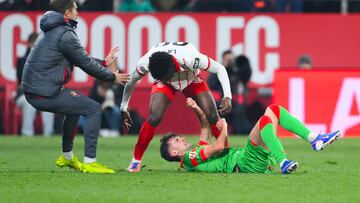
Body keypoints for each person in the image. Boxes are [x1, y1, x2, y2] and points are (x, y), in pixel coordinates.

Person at [21, 0, 130, 173]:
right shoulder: (65, 34)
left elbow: (78, 58)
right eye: (75, 9)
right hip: (44, 92)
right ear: (67, 13)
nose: (78, 13)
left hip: (37, 90)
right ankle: (90, 162)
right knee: (93, 108)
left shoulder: (51, 29)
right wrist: (111, 76)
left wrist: (103, 62)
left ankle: (67, 157)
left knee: (75, 107)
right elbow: (85, 63)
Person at [121, 41, 232, 172]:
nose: (167, 79)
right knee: (154, 117)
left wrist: (227, 96)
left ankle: (226, 156)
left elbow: (219, 68)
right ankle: (136, 161)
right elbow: (132, 80)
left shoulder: (191, 57)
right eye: (162, 77)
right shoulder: (146, 62)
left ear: (174, 66)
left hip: (190, 78)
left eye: (167, 76)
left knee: (212, 115)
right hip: (166, 83)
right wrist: (124, 106)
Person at [160, 98, 341, 174]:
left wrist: (196, 108)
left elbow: (205, 127)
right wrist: (224, 127)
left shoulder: (195, 155)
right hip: (244, 163)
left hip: (248, 162)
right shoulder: (189, 158)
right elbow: (219, 147)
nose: (181, 139)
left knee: (274, 111)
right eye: (176, 141)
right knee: (266, 119)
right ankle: (284, 161)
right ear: (175, 154)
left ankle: (313, 139)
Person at [15, 32, 55, 137]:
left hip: (41, 94)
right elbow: (22, 83)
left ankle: (48, 134)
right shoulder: (22, 61)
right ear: (29, 44)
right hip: (25, 94)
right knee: (29, 102)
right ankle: (27, 134)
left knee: (48, 103)